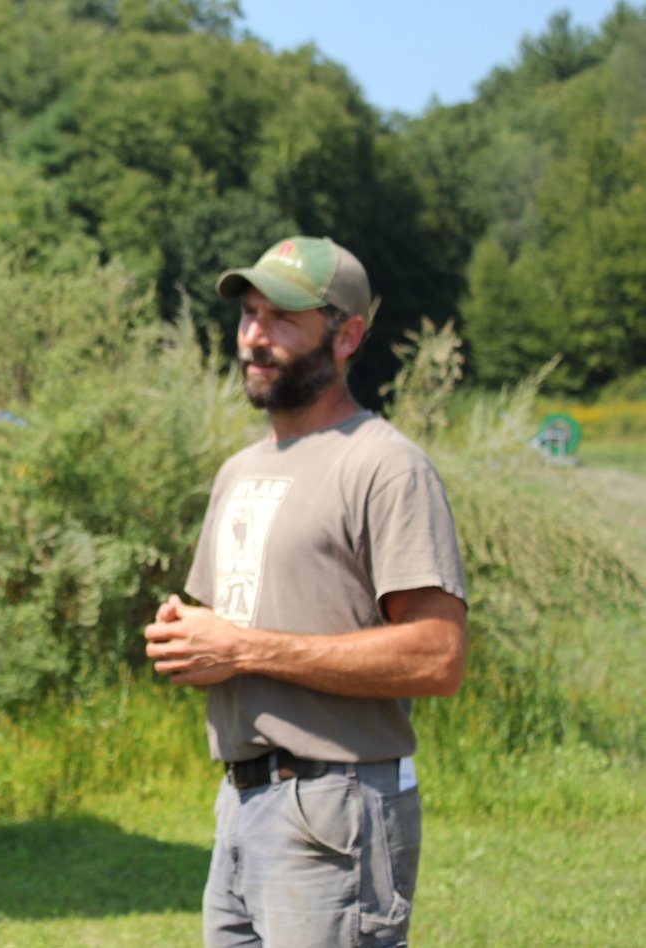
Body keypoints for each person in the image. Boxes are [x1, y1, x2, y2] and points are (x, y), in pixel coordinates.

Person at [144, 236, 468, 947]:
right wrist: (189, 637)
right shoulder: (239, 470)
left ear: (347, 335)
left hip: (333, 806)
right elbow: (234, 631)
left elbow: (436, 657)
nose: (255, 337)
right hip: (238, 800)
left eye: (283, 318)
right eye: (249, 315)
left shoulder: (383, 466)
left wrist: (242, 648)